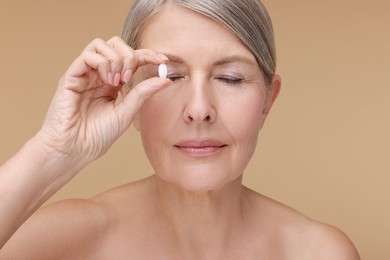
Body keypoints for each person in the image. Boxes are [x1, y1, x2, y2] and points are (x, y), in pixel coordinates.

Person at [0, 0, 360, 259]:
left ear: (269, 99)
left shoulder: (319, 252)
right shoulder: (64, 242)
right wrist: (54, 151)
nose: (199, 109)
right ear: (128, 97)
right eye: (168, 76)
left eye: (230, 78)